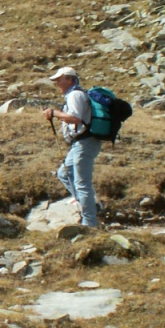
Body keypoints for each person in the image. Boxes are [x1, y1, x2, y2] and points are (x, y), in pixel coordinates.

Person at [43, 66, 101, 228]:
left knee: (82, 184)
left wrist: (54, 113)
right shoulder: (74, 94)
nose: (56, 83)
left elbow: (75, 118)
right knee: (64, 173)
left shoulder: (75, 95)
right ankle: (91, 206)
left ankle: (90, 224)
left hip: (85, 142)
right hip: (79, 143)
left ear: (69, 79)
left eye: (59, 80)